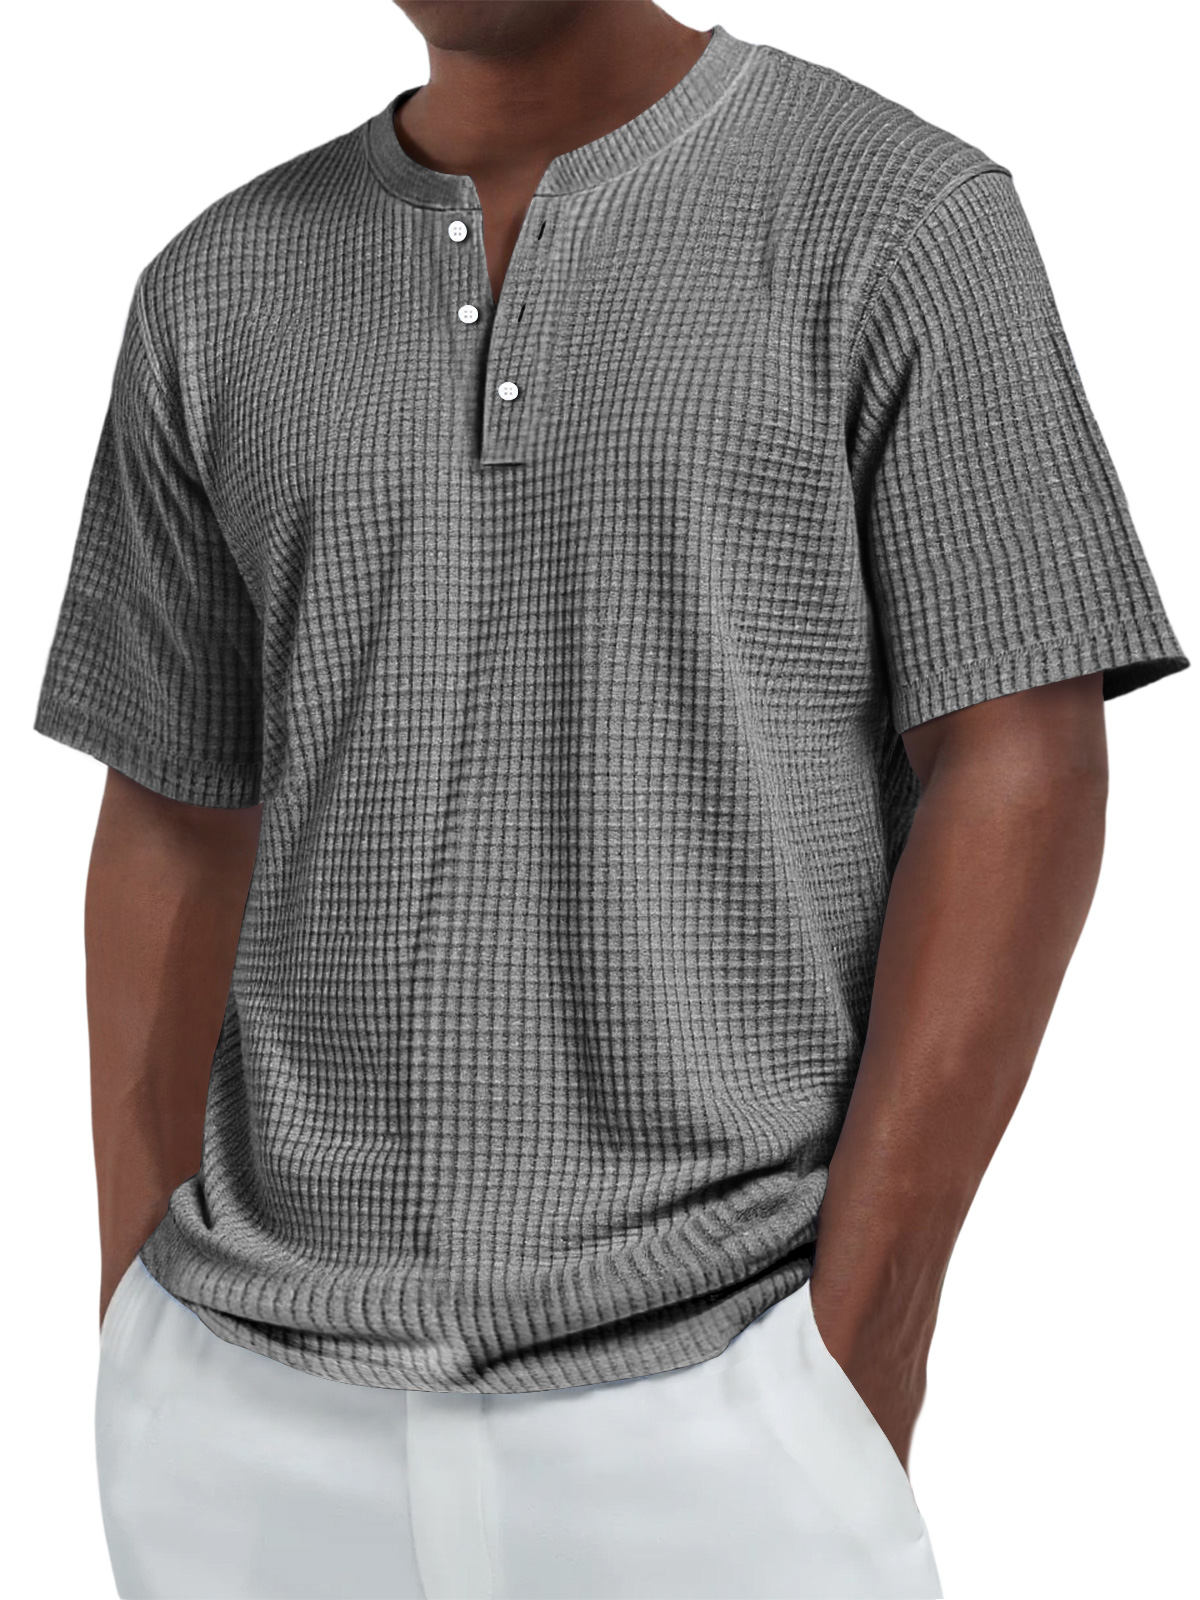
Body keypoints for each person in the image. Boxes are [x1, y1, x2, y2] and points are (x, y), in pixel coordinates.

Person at [34, 3, 1188, 1597]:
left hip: (720, 1383)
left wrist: (861, 1343)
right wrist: (135, 1318)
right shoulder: (214, 285)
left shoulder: (899, 216)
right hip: (243, 1415)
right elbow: (173, 809)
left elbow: (1022, 756)